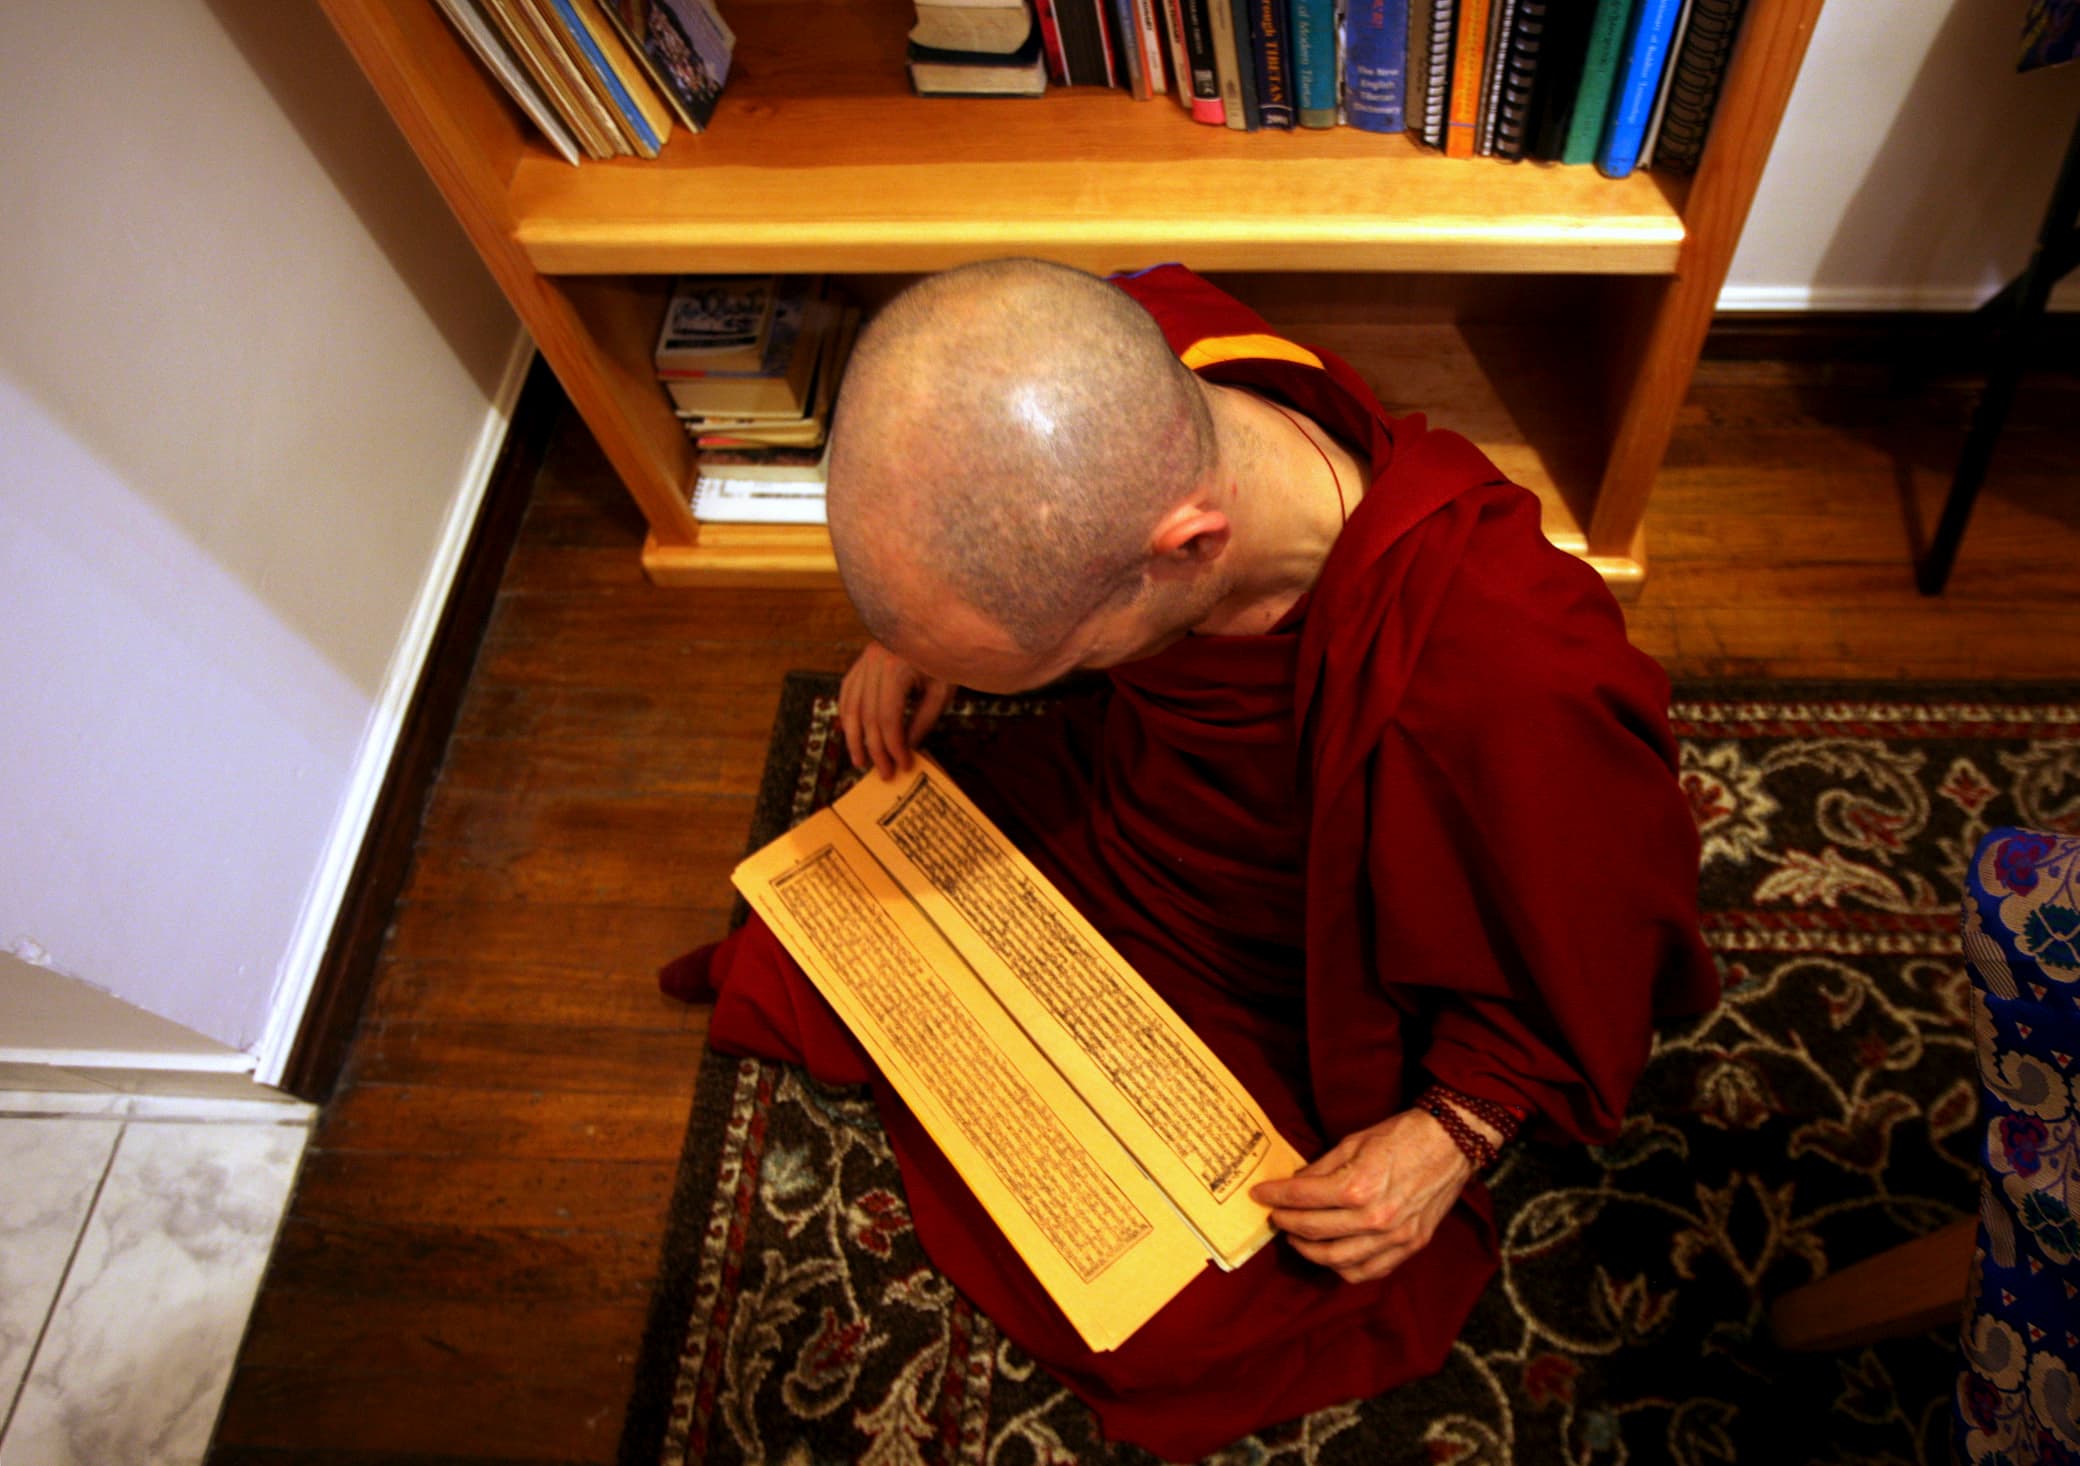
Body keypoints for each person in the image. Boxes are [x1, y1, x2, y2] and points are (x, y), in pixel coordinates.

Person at [666, 258, 1717, 1459]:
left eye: (1053, 656)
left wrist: (1455, 1130)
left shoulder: (1509, 666)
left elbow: (1602, 924)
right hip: (1132, 797)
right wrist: (924, 625)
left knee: (1211, 1314)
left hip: (1313, 940)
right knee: (839, 913)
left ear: (1188, 545)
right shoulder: (1155, 335)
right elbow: (967, 468)